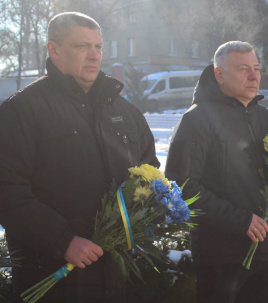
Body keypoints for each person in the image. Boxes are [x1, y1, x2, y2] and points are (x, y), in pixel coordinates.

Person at [0, 12, 159, 303]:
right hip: (51, 276)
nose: (94, 55)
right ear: (54, 50)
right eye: (82, 46)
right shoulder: (20, 111)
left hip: (114, 272)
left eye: (98, 47)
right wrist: (62, 242)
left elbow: (149, 174)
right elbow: (8, 192)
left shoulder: (125, 112)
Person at [165, 41, 268, 303]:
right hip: (221, 256)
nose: (253, 76)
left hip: (266, 250)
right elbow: (181, 186)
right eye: (243, 69)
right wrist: (239, 220)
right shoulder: (196, 120)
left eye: (257, 68)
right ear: (219, 74)